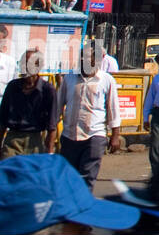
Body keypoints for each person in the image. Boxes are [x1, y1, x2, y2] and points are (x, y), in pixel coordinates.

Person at [47, 42, 122, 190]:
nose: (83, 61)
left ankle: (84, 201)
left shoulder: (106, 80)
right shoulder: (70, 78)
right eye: (81, 58)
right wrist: (51, 132)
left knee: (87, 177)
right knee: (68, 176)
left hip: (94, 135)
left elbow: (113, 109)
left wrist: (115, 136)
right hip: (70, 136)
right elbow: (58, 106)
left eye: (87, 58)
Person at [0, 50, 55, 158]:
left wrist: (50, 153)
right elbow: (2, 121)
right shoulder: (12, 87)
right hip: (12, 140)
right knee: (9, 167)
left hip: (34, 142)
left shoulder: (47, 90)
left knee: (32, 168)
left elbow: (52, 126)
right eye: (22, 63)